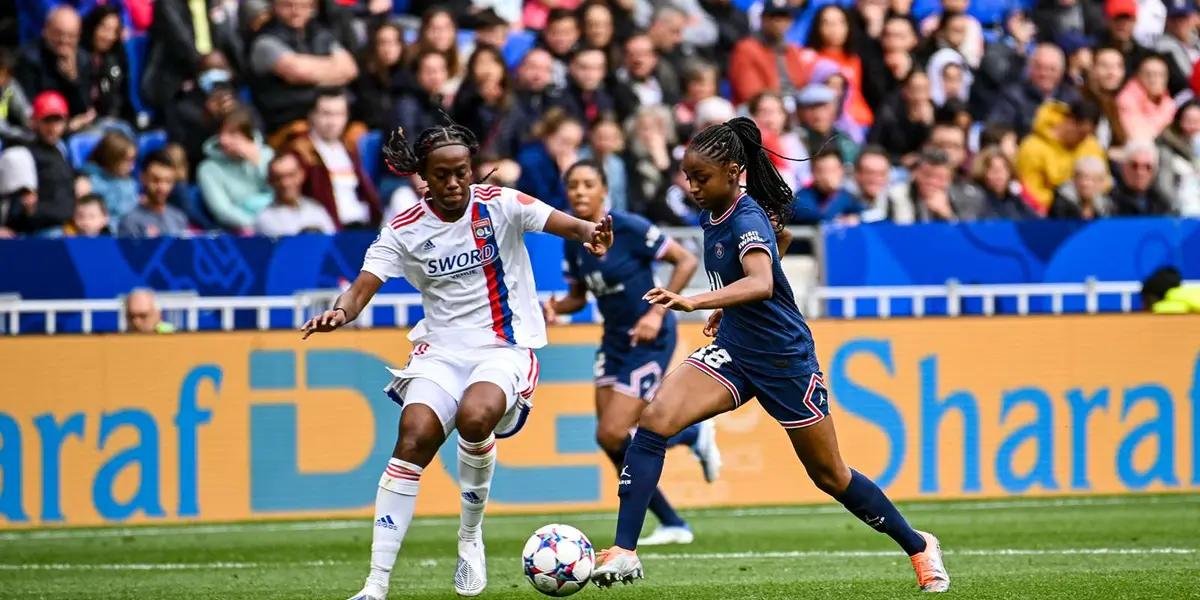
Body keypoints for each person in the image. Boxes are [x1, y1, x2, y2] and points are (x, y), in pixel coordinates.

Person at [589, 117, 950, 593]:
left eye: (702, 178)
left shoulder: (745, 216)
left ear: (734, 171)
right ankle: (624, 549)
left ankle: (919, 546)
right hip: (736, 352)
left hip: (784, 360)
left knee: (830, 475)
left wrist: (698, 301)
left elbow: (760, 282)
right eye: (688, 177)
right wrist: (724, 305)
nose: (692, 187)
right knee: (654, 421)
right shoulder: (714, 214)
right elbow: (766, 258)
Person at [300, 119, 614, 600]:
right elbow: (361, 287)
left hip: (504, 348)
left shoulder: (501, 204)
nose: (452, 184)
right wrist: (339, 313)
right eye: (441, 175)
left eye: (461, 173)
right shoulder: (404, 230)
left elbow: (561, 222)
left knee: (475, 415)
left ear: (471, 170)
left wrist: (590, 232)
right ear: (423, 176)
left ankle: (470, 536)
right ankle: (375, 584)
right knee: (413, 437)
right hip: (441, 353)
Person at [545, 159, 721, 546]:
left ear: (603, 190)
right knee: (609, 439)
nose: (579, 192)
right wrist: (555, 308)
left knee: (613, 430)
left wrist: (657, 313)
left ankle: (690, 436)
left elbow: (686, 259)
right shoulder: (576, 243)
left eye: (587, 183)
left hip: (648, 338)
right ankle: (674, 519)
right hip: (614, 342)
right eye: (573, 185)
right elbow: (579, 296)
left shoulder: (628, 227)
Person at [248, 0, 358, 142]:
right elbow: (297, 72)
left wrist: (311, 72)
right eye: (288, 5)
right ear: (274, 6)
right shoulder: (264, 40)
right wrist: (333, 69)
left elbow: (350, 69)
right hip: (289, 123)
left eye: (303, 5)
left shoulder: (319, 33)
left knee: (358, 134)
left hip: (332, 117)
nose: (296, 11)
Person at [285, 89, 382, 229]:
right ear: (312, 115)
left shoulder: (349, 150)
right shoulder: (301, 151)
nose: (332, 122)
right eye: (326, 114)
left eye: (339, 114)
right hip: (325, 233)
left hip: (361, 228)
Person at [1015, 99, 1105, 212]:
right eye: (1081, 133)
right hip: (1050, 215)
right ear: (1069, 122)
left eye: (1088, 134)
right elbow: (1030, 191)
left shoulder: (1090, 144)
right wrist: (1066, 205)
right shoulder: (1032, 148)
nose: (1084, 139)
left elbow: (1104, 182)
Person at [16, 6, 94, 133]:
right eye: (58, 33)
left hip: (76, 128)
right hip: (41, 131)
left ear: (79, 36)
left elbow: (84, 110)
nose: (64, 40)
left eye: (70, 36)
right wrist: (66, 126)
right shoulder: (29, 58)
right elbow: (30, 109)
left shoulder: (83, 59)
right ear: (45, 30)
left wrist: (73, 79)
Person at [196, 108, 275, 231]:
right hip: (239, 232)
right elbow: (222, 211)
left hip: (276, 222)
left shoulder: (267, 155)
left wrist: (257, 164)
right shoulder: (208, 169)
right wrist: (257, 226)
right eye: (221, 133)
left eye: (232, 134)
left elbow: (279, 194)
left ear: (248, 135)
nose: (224, 140)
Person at [255, 153, 337, 236]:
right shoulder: (266, 217)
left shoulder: (316, 209)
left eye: (291, 175)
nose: (286, 183)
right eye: (278, 178)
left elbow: (332, 241)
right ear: (270, 180)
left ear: (301, 174)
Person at [119, 150, 190, 237]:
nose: (162, 187)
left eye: (168, 181)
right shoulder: (130, 221)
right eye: (155, 180)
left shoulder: (179, 218)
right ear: (143, 178)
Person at [789, 148, 863, 224]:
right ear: (812, 172)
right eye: (822, 171)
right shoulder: (802, 197)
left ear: (841, 170)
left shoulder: (848, 197)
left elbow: (864, 214)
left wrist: (856, 218)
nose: (827, 176)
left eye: (832, 170)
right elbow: (818, 217)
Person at [82, 130, 139, 224]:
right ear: (112, 158)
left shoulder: (130, 183)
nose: (132, 166)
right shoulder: (90, 183)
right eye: (127, 160)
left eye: (133, 160)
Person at [1048, 155, 1114, 219]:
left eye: (1094, 179)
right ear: (1073, 179)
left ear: (1102, 183)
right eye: (1081, 177)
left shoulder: (1106, 206)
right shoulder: (1060, 205)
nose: (1086, 183)